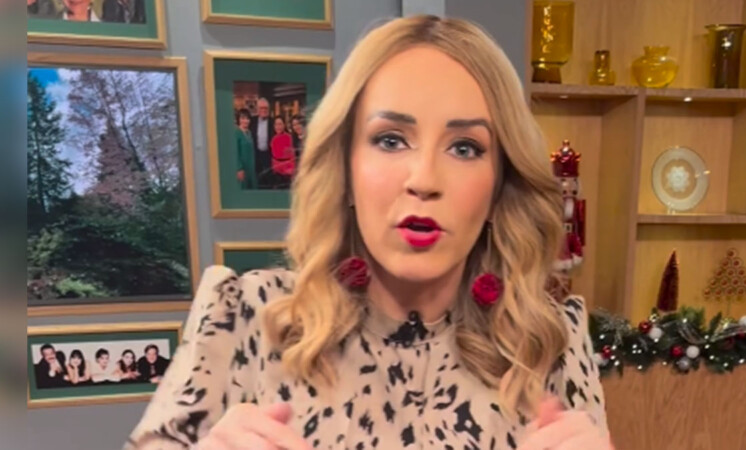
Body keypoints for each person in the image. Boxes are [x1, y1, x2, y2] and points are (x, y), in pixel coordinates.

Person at [126, 15, 613, 449]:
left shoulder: (549, 340)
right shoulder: (244, 316)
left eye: (465, 148)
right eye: (391, 140)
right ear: (346, 168)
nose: (424, 179)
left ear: (500, 183)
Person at [249, 97, 274, 187]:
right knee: (258, 179)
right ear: (257, 109)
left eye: (266, 108)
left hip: (269, 155)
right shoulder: (251, 121)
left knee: (269, 179)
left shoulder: (273, 121)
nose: (264, 110)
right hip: (256, 154)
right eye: (261, 108)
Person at [269, 116, 295, 189]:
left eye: (280, 124)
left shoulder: (289, 137)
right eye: (276, 124)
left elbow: (292, 156)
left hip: (288, 172)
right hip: (277, 171)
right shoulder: (273, 138)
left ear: (284, 125)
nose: (278, 127)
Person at [234, 109, 257, 190]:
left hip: (251, 168)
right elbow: (235, 152)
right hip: (242, 168)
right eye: (243, 118)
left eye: (247, 118)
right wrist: (239, 168)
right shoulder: (236, 133)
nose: (245, 121)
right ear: (238, 119)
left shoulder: (249, 132)